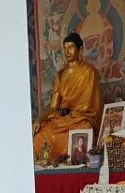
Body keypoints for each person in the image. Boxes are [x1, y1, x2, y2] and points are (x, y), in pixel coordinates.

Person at [33, 33, 103, 163]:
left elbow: (94, 106)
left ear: (80, 50)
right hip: (61, 119)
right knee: (40, 135)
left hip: (80, 119)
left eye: (70, 47)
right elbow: (53, 106)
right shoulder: (61, 75)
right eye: (65, 48)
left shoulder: (89, 72)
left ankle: (69, 159)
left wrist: (77, 115)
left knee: (84, 130)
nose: (67, 52)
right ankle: (47, 161)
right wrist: (39, 120)